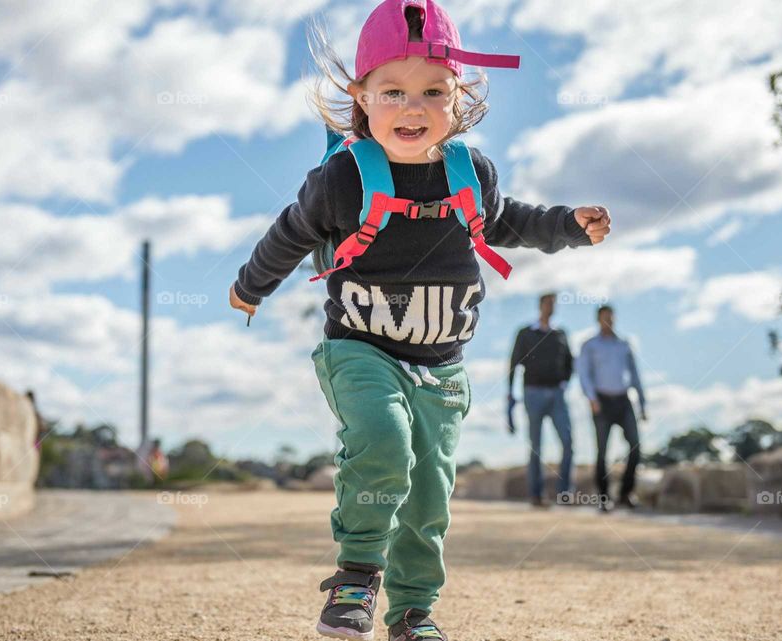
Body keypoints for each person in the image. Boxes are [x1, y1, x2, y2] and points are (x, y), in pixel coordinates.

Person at [229, 1, 612, 638]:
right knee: (383, 443)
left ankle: (412, 611)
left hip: (443, 368)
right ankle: (355, 578)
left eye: (433, 91)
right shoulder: (341, 181)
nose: (413, 107)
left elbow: (510, 221)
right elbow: (289, 234)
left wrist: (569, 227)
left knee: (429, 496)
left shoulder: (472, 174)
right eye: (394, 91)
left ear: (458, 96)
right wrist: (250, 288)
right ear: (362, 96)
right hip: (361, 350)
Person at [507, 292, 574, 508]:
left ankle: (564, 493)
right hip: (532, 393)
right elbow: (513, 363)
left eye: (553, 303)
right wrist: (510, 393)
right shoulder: (526, 333)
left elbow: (569, 362)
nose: (551, 307)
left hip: (557, 394)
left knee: (568, 442)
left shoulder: (560, 334)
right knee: (536, 445)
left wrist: (564, 382)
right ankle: (536, 495)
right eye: (547, 303)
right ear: (540, 306)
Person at [577, 305, 647, 512]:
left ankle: (626, 493)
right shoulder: (589, 345)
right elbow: (584, 374)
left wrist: (642, 403)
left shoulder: (624, 344)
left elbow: (634, 375)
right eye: (605, 318)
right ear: (598, 320)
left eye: (611, 318)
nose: (609, 321)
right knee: (602, 452)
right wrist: (591, 398)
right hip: (601, 401)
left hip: (623, 400)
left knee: (636, 447)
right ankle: (604, 497)